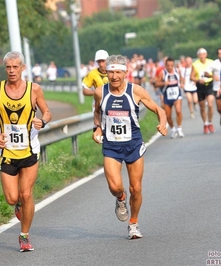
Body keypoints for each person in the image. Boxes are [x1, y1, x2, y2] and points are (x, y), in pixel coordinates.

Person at [92, 54, 168, 239]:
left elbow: (159, 109)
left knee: (136, 188)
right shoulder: (100, 93)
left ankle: (133, 223)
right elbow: (97, 112)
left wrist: (163, 122)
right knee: (115, 187)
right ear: (106, 73)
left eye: (118, 72)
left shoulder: (136, 91)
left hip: (133, 144)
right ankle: (120, 198)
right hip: (111, 145)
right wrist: (97, 128)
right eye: (111, 72)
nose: (115, 76)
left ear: (125, 72)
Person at [0, 51, 52, 251]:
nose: (12, 71)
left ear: (23, 68)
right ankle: (18, 206)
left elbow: (47, 112)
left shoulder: (34, 90)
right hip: (7, 153)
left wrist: (43, 121)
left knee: (26, 193)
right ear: (4, 69)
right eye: (8, 67)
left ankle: (24, 236)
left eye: (16, 67)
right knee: (12, 198)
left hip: (29, 151)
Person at [155, 57, 184, 138]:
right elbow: (156, 84)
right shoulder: (162, 73)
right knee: (168, 115)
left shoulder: (177, 71)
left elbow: (181, 80)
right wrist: (164, 83)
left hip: (177, 95)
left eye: (171, 65)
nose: (170, 67)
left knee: (178, 111)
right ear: (166, 65)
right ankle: (173, 129)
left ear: (173, 65)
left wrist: (182, 84)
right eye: (168, 65)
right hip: (167, 96)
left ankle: (179, 128)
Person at [190, 48, 215, 134]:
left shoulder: (211, 62)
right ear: (198, 56)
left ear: (206, 54)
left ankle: (210, 122)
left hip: (209, 85)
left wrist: (212, 77)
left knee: (210, 104)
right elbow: (191, 77)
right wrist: (198, 80)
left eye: (203, 54)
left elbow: (216, 74)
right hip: (200, 86)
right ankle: (205, 123)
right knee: (202, 107)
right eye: (200, 55)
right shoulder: (195, 64)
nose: (202, 56)